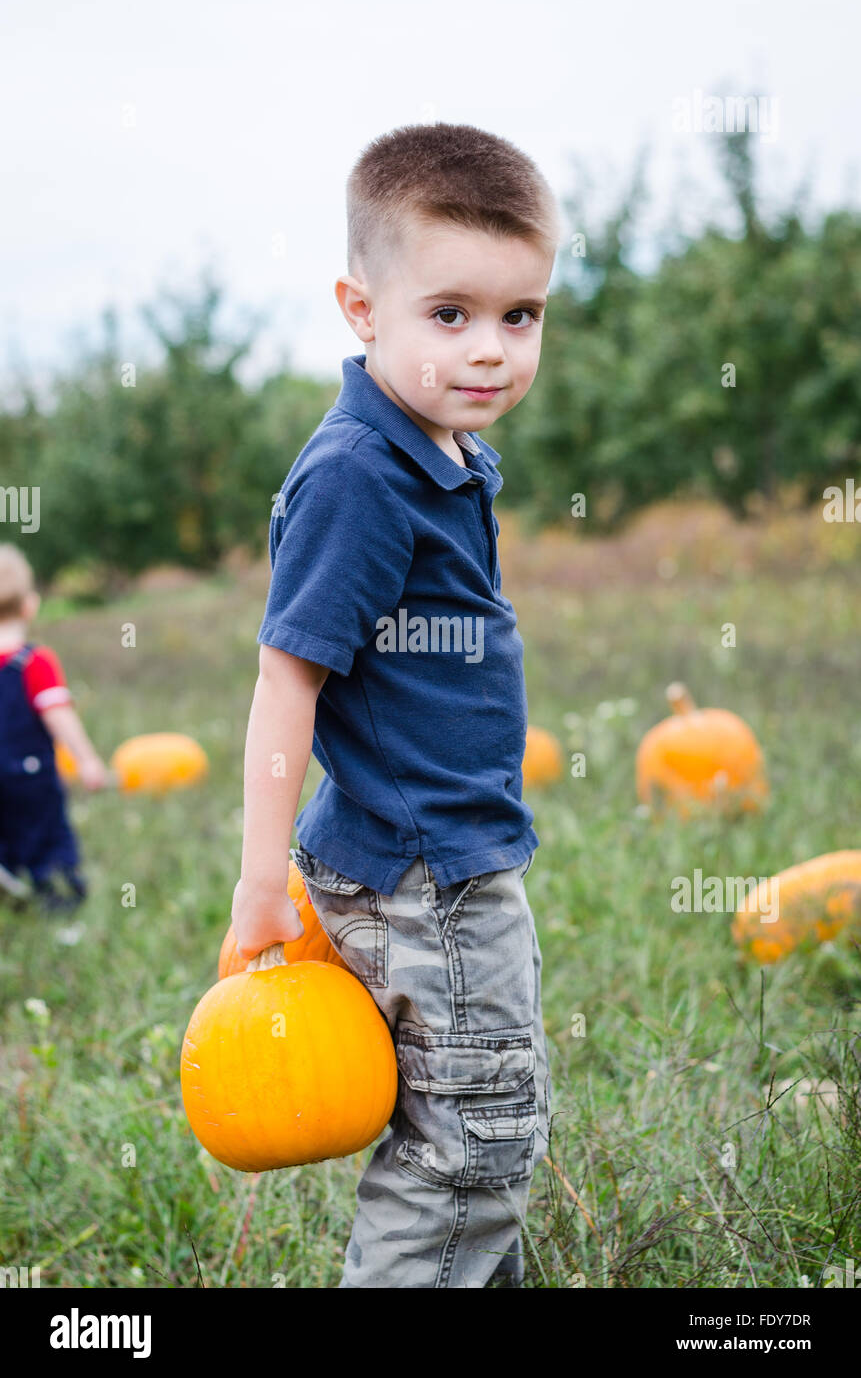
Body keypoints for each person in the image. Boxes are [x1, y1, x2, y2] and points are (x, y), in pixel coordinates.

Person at [231, 122, 561, 1288]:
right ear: (361, 309)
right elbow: (287, 680)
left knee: (489, 1115)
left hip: (449, 852)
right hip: (427, 877)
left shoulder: (440, 448)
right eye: (451, 313)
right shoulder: (359, 478)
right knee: (469, 1144)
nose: (492, 351)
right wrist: (257, 886)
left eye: (520, 316)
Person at [0, 544, 109, 911]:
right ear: (30, 605)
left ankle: (10, 877)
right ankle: (58, 896)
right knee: (46, 835)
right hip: (30, 776)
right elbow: (59, 715)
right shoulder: (34, 662)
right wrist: (87, 761)